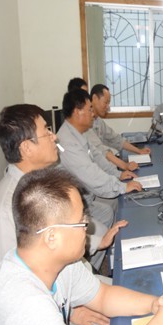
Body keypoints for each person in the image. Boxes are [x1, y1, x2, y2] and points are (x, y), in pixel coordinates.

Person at [0, 167, 163, 325]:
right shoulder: (28, 310)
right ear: (52, 237)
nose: (87, 228)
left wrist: (155, 304)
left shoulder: (54, 262)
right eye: (81, 222)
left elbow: (102, 296)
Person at [0, 104, 126, 325]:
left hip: (72, 286)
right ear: (26, 147)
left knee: (128, 294)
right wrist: (72, 314)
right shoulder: (4, 211)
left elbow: (66, 226)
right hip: (45, 314)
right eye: (47, 131)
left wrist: (98, 242)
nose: (54, 137)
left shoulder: (42, 182)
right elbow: (15, 286)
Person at [57, 90, 142, 267]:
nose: (93, 113)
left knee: (110, 210)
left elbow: (97, 157)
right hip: (69, 209)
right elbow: (91, 174)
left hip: (85, 198)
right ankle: (90, 270)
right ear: (77, 111)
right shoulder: (66, 141)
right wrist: (122, 187)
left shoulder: (78, 134)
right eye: (89, 109)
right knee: (103, 229)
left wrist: (118, 174)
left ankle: (102, 260)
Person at [90, 84, 151, 171]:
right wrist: (125, 166)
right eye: (106, 102)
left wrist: (139, 151)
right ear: (95, 98)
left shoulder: (98, 121)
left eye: (108, 103)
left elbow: (116, 139)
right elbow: (101, 150)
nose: (108, 107)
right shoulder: (85, 124)